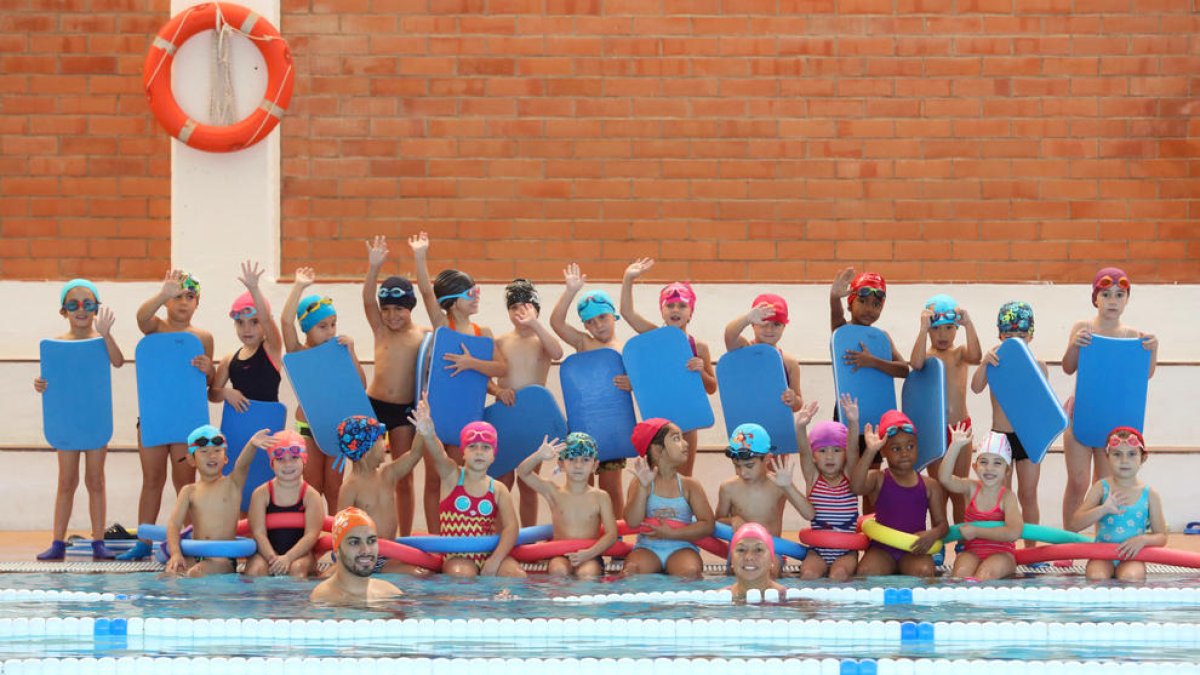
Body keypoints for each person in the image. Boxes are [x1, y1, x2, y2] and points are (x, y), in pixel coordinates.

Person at [409, 231, 507, 533]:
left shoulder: (483, 332)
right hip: (436, 414)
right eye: (469, 293)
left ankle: (461, 532)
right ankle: (436, 537)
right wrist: (420, 256)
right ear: (452, 302)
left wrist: (472, 365)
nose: (475, 297)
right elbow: (426, 293)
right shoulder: (443, 327)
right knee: (434, 475)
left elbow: (501, 367)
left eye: (475, 291)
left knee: (459, 476)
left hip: (466, 415)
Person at [121, 270, 214, 561]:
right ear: (166, 303)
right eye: (175, 297)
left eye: (189, 297)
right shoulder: (155, 328)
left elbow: (209, 384)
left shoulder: (203, 337)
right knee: (152, 479)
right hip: (155, 418)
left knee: (185, 483)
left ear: (197, 303)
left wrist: (207, 368)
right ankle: (144, 541)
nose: (182, 302)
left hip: (187, 421)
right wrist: (162, 292)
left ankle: (189, 541)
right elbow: (140, 318)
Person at [34, 279, 126, 561]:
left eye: (88, 304)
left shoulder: (101, 342)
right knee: (66, 481)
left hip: (95, 420)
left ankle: (99, 541)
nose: (81, 310)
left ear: (96, 309)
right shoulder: (57, 346)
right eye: (73, 305)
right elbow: (52, 381)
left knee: (96, 480)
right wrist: (40, 384)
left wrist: (107, 334)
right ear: (64, 311)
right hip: (69, 421)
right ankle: (58, 542)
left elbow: (119, 361)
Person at [1060, 268, 1158, 530]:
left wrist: (1154, 349)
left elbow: (1145, 375)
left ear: (1127, 299)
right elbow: (1068, 367)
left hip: (1113, 422)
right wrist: (1074, 345)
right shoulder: (1083, 328)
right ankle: (1070, 538)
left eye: (1119, 294)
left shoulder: (1133, 335)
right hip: (1080, 415)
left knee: (1103, 484)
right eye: (1106, 294)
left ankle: (1098, 539)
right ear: (1096, 298)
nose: (1113, 300)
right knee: (1078, 482)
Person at [619, 258, 717, 476]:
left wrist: (700, 370)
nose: (676, 310)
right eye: (670, 305)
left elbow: (711, 388)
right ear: (662, 311)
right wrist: (628, 279)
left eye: (682, 305)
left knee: (683, 479)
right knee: (656, 478)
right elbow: (627, 313)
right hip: (659, 424)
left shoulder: (698, 347)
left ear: (691, 312)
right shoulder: (654, 338)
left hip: (688, 424)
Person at [281, 266, 366, 512]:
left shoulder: (340, 353)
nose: (330, 332)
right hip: (308, 429)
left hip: (336, 429)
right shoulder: (300, 353)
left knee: (334, 487)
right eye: (322, 327)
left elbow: (360, 386)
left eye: (333, 325)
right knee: (312, 485)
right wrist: (298, 286)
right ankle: (314, 537)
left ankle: (336, 536)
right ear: (306, 329)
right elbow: (286, 321)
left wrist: (351, 352)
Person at [412, 397, 525, 578]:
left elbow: (511, 527)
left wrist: (495, 560)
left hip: (488, 553)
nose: (479, 451)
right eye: (472, 446)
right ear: (463, 453)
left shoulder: (498, 489)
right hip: (457, 556)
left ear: (493, 455)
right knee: (462, 577)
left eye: (486, 447)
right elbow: (439, 455)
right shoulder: (452, 476)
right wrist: (429, 433)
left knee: (516, 575)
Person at [549, 262, 629, 517]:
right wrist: (571, 291)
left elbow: (641, 387)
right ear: (585, 327)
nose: (598, 326)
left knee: (611, 487)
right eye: (591, 322)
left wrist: (632, 384)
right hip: (584, 424)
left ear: (613, 315)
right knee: (580, 484)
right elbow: (556, 322)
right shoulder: (584, 342)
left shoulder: (625, 350)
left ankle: (615, 535)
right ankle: (584, 530)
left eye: (602, 318)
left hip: (613, 428)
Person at [362, 236, 429, 536]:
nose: (391, 316)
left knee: (404, 476)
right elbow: (366, 299)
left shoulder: (422, 336)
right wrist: (373, 267)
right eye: (386, 309)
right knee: (367, 473)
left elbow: (429, 294)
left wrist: (420, 260)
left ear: (411, 308)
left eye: (398, 309)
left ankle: (403, 536)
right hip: (373, 406)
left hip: (404, 411)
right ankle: (367, 531)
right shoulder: (380, 330)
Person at [490, 278, 564, 526]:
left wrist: (535, 324)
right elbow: (484, 379)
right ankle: (498, 537)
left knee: (528, 483)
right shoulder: (500, 341)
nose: (519, 311)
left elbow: (557, 353)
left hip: (533, 422)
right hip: (505, 418)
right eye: (514, 307)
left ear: (536, 309)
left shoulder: (541, 341)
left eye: (526, 306)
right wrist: (498, 391)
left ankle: (529, 541)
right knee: (501, 483)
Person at [970, 301, 1045, 546]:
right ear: (1001, 334)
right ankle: (1002, 544)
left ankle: (1031, 547)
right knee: (1000, 493)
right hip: (1001, 436)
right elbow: (976, 387)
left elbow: (1041, 403)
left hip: (1028, 436)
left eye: (1022, 335)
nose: (1016, 339)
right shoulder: (994, 361)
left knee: (1028, 494)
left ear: (1030, 336)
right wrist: (983, 363)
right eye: (1010, 334)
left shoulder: (1039, 365)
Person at [910, 294, 981, 523]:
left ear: (957, 329)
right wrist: (921, 330)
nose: (943, 334)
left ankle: (961, 539)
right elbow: (916, 364)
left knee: (959, 489)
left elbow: (977, 356)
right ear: (929, 330)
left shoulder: (959, 353)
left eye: (950, 328)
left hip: (961, 428)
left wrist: (969, 324)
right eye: (937, 329)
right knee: (939, 490)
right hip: (935, 433)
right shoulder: (928, 357)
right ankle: (938, 538)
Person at [164, 425, 272, 577]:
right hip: (195, 554)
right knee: (170, 575)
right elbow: (174, 525)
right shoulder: (189, 491)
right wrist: (175, 554)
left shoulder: (232, 485)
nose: (211, 456)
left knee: (196, 573)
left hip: (223, 559)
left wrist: (252, 445)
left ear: (226, 458)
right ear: (191, 460)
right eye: (204, 452)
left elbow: (242, 465)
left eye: (217, 451)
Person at [851, 411, 949, 576]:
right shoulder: (878, 479)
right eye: (896, 448)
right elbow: (856, 487)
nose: (904, 453)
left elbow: (942, 524)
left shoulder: (930, 486)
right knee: (865, 572)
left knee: (925, 572)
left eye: (910, 446)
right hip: (882, 549)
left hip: (914, 548)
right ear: (883, 452)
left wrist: (932, 534)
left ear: (917, 446)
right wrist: (869, 452)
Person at [1068, 427, 1167, 582]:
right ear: (1107, 457)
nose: (1124, 461)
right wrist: (1103, 509)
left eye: (1132, 454)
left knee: (1131, 578)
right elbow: (1074, 524)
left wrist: (1143, 540)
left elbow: (1162, 537)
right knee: (1096, 577)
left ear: (1143, 457)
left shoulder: (1149, 495)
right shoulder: (1101, 488)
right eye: (1117, 454)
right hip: (1103, 555)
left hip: (1132, 557)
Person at [335, 414, 429, 576]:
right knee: (418, 575)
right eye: (380, 439)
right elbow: (340, 529)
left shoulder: (387, 474)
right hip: (367, 556)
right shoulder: (350, 487)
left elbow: (414, 454)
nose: (385, 444)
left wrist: (422, 428)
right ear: (366, 449)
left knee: (424, 572)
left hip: (391, 551)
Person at [714, 423, 813, 575]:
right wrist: (733, 520)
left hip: (772, 549)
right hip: (740, 550)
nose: (742, 472)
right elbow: (718, 521)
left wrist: (788, 487)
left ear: (767, 458)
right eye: (737, 466)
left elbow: (809, 514)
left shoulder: (778, 485)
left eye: (749, 465)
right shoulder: (728, 488)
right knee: (735, 578)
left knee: (770, 574)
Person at [622, 418, 715, 579]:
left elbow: (708, 525)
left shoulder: (689, 486)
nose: (686, 444)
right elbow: (632, 522)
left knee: (690, 573)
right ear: (658, 450)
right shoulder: (641, 482)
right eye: (676, 438)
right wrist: (643, 488)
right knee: (631, 572)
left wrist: (672, 534)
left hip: (681, 547)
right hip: (648, 548)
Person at [516, 432, 618, 578]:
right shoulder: (553, 492)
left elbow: (612, 534)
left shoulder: (600, 497)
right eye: (571, 459)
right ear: (561, 464)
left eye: (585, 460)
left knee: (587, 575)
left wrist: (590, 552)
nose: (578, 465)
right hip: (559, 554)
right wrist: (539, 456)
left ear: (595, 465)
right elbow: (522, 472)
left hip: (590, 555)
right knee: (558, 571)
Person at [938, 427, 1022, 581]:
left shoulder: (1007, 497)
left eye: (997, 463)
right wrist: (954, 446)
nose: (989, 468)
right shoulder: (970, 488)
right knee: (959, 576)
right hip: (972, 552)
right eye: (983, 462)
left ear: (1007, 471)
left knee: (985, 575)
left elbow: (1013, 532)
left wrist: (977, 532)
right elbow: (944, 479)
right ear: (975, 467)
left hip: (1002, 555)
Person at [794, 397, 861, 580]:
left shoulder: (849, 476)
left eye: (837, 450)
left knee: (839, 574)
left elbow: (854, 448)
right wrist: (800, 428)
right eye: (822, 451)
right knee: (808, 574)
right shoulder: (813, 478)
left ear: (845, 454)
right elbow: (803, 452)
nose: (829, 456)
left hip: (847, 551)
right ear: (814, 456)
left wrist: (853, 422)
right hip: (818, 550)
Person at [244, 430, 325, 578]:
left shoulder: (311, 496)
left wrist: (288, 558)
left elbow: (311, 535)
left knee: (297, 569)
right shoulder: (261, 494)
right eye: (280, 459)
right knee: (255, 570)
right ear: (272, 464)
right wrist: (272, 558)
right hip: (266, 552)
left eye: (294, 457)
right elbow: (258, 533)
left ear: (304, 460)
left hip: (301, 555)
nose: (288, 464)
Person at [209, 260, 283, 414]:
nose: (246, 329)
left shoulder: (271, 349)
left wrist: (254, 289)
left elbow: (266, 319)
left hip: (269, 426)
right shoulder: (229, 360)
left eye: (254, 322)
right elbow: (212, 394)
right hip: (239, 426)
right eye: (240, 323)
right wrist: (225, 393)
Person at [723, 294, 804, 412]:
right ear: (753, 325)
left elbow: (798, 404)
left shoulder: (789, 363)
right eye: (763, 324)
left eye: (776, 324)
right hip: (746, 424)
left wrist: (793, 400)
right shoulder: (743, 350)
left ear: (784, 327)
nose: (769, 330)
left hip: (776, 422)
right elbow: (729, 335)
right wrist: (746, 318)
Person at [310, 507, 403, 604]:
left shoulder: (390, 593)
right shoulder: (325, 600)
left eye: (371, 541)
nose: (366, 550)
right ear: (337, 551)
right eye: (354, 542)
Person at [829, 268, 910, 378]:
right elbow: (837, 316)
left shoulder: (882, 337)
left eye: (876, 304)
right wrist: (835, 299)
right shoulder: (843, 330)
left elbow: (904, 370)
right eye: (862, 301)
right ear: (850, 305)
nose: (869, 309)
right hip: (849, 395)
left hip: (879, 395)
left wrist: (873, 362)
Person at [724, 523, 786, 602]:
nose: (749, 557)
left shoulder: (792, 600)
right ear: (732, 560)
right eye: (741, 550)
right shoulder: (716, 598)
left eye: (758, 550)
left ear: (772, 560)